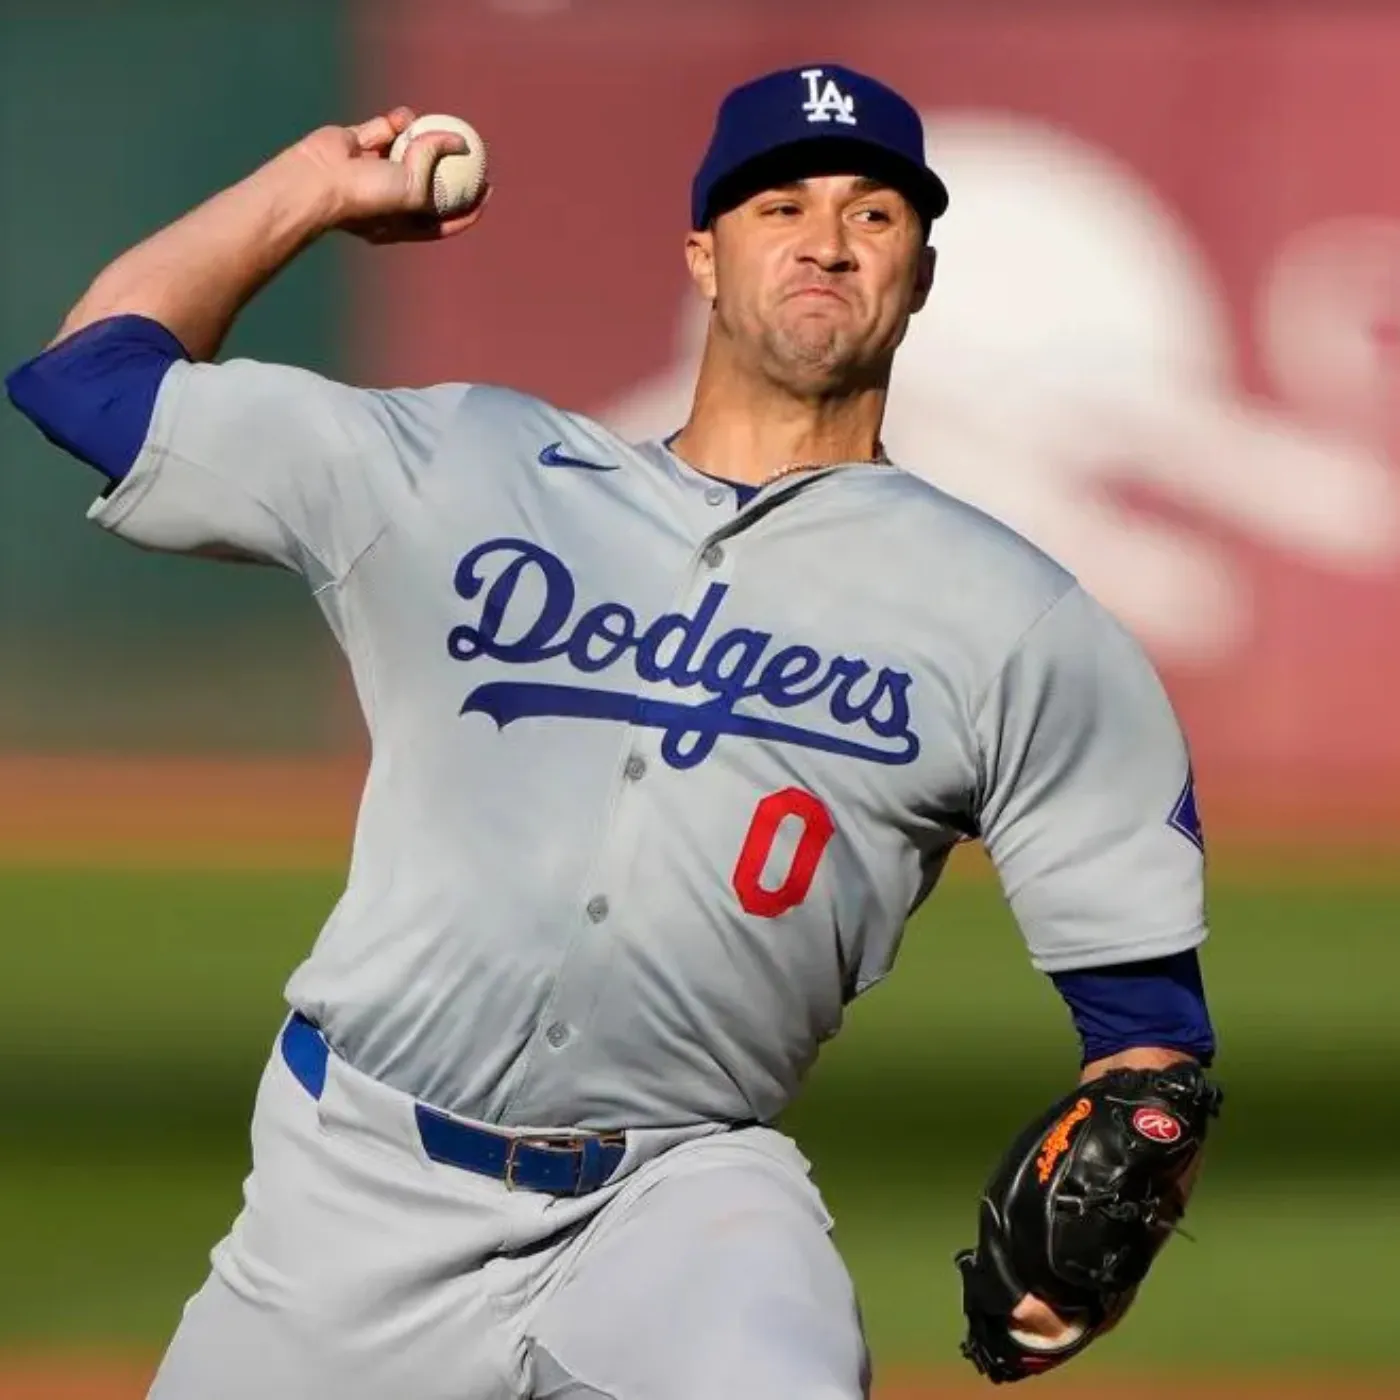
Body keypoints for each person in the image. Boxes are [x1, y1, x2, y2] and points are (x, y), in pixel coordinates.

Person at [6, 64, 1217, 1400]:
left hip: (680, 1206)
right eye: (781, 206)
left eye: (875, 214)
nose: (827, 237)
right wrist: (307, 190)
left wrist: (1132, 1171)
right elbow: (88, 382)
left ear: (920, 274)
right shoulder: (464, 468)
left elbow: (1149, 1028)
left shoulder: (1021, 623)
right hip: (350, 1185)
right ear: (703, 254)